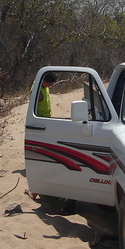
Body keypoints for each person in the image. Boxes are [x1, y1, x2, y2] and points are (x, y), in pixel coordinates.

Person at [26, 72, 76, 215]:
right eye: (49, 84)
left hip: (46, 121)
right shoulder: (37, 91)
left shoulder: (43, 87)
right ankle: (35, 191)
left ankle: (34, 191)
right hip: (39, 125)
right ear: (43, 81)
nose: (51, 86)